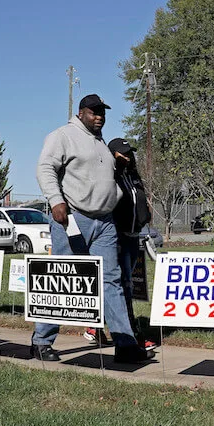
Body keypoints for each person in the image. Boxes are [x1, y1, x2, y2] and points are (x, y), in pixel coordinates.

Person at [32, 94, 154, 364]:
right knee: (61, 280)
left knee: (111, 282)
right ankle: (41, 341)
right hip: (73, 218)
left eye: (103, 112)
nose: (99, 116)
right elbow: (45, 168)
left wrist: (117, 166)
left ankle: (124, 343)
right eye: (94, 112)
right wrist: (56, 201)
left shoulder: (100, 144)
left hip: (105, 222)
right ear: (81, 112)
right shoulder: (63, 135)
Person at [84, 137, 157, 351]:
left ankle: (98, 328)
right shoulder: (109, 176)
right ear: (111, 155)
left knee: (123, 284)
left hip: (134, 236)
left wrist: (145, 216)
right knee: (120, 284)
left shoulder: (133, 176)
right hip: (115, 237)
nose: (127, 157)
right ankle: (129, 335)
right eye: (122, 153)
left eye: (129, 153)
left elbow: (139, 201)